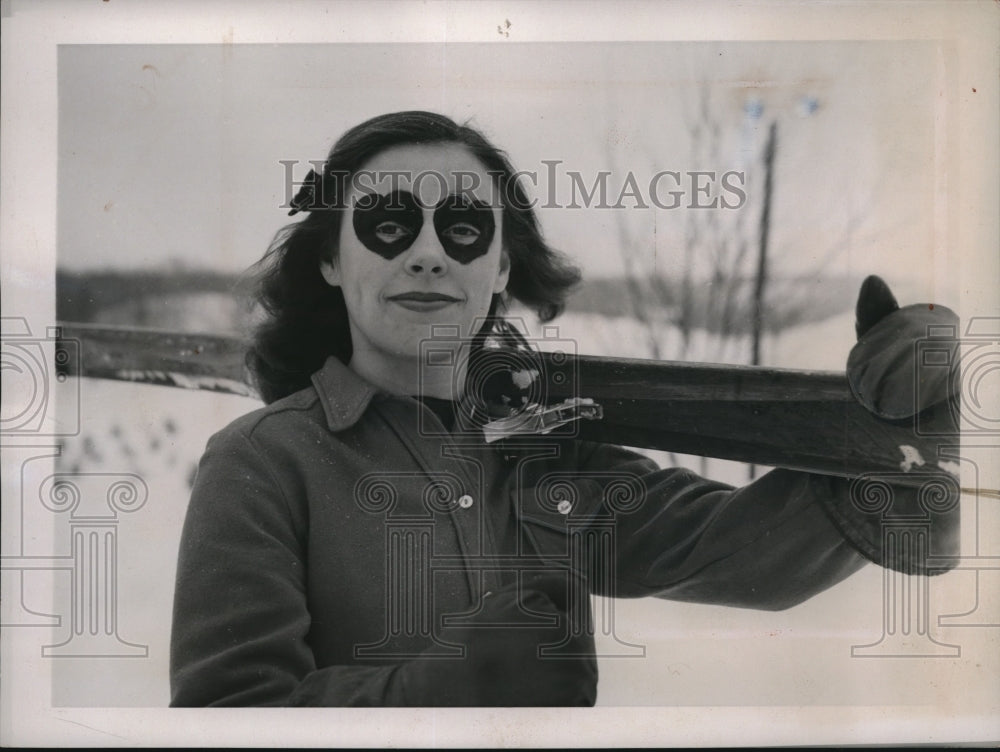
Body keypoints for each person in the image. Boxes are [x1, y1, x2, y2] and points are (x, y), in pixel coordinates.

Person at [169, 110, 958, 707]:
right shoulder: (262, 464)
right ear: (333, 261)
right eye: (387, 223)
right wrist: (447, 685)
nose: (429, 251)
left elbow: (747, 554)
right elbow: (227, 715)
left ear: (501, 266)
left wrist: (903, 440)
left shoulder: (548, 455)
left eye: (466, 227)